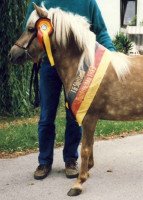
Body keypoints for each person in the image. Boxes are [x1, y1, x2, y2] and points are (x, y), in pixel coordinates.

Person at [24, 0, 115, 180]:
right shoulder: (39, 2)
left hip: (79, 68)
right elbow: (29, 31)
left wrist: (112, 54)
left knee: (75, 115)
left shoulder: (88, 2)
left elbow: (101, 30)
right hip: (49, 67)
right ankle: (44, 161)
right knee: (46, 115)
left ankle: (71, 160)